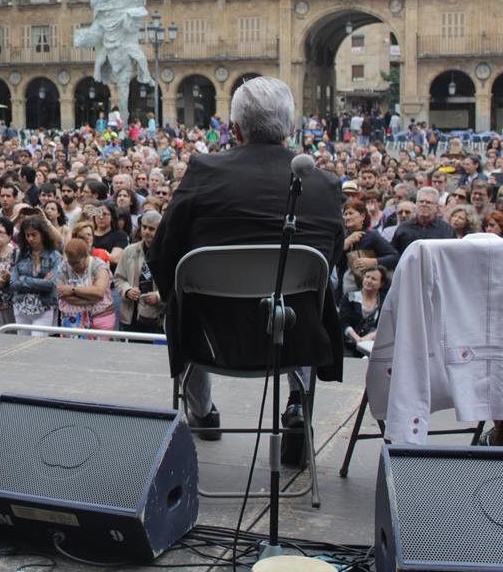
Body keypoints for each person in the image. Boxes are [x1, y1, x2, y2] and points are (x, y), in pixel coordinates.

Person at [147, 76, 345, 450]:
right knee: (308, 296)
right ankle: (298, 406)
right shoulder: (325, 185)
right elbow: (328, 264)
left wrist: (175, 293)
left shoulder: (205, 171)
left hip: (209, 337)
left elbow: (162, 253)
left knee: (182, 300)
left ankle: (202, 412)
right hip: (292, 335)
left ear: (234, 129)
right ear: (290, 128)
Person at [114, 209, 166, 332]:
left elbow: (175, 284)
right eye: (144, 227)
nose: (147, 231)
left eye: (152, 229)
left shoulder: (168, 253)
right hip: (131, 314)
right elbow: (119, 278)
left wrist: (158, 296)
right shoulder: (129, 250)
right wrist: (127, 290)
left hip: (158, 316)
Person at [10, 215, 62, 335]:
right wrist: (40, 282)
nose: (30, 238)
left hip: (44, 306)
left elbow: (51, 284)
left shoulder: (54, 256)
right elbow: (13, 283)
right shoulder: (19, 253)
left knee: (37, 344)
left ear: (43, 235)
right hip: (20, 306)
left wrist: (23, 279)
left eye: (34, 234)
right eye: (27, 235)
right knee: (21, 345)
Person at [55, 237, 115, 333]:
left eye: (76, 263)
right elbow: (61, 293)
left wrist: (73, 290)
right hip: (73, 320)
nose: (73, 266)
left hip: (100, 318)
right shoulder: (63, 266)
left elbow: (99, 292)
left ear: (86, 256)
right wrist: (92, 298)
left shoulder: (99, 266)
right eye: (70, 262)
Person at [391, 186, 456, 257]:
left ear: (436, 207)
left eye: (428, 202)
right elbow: (394, 254)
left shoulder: (447, 230)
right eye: (421, 201)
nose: (424, 205)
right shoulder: (403, 228)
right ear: (416, 204)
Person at [340, 267, 387, 357]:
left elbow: (386, 325)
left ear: (381, 283)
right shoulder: (350, 297)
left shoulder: (384, 302)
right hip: (349, 347)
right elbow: (343, 322)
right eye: (367, 277)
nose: (368, 280)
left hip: (374, 348)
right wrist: (358, 339)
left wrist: (371, 336)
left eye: (373, 279)